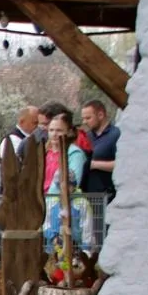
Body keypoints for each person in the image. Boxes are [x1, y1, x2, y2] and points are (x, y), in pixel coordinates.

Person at [42, 112, 93, 268]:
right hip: (45, 203)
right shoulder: (45, 151)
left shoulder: (74, 153)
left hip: (63, 201)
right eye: (51, 130)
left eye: (59, 130)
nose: (54, 134)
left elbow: (71, 178)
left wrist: (52, 195)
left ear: (68, 132)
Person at [80, 99, 120, 202]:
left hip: (107, 196)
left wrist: (94, 164)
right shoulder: (87, 137)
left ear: (100, 115)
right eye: (83, 118)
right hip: (86, 196)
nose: (84, 122)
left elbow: (123, 165)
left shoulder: (116, 135)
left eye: (88, 118)